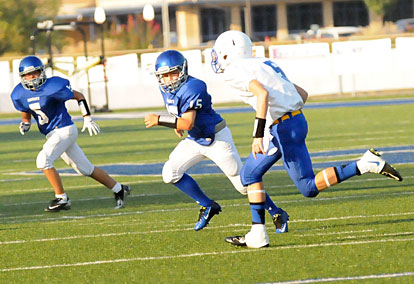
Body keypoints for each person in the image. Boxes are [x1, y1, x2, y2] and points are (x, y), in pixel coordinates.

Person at [211, 30, 403, 248]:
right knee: (307, 187)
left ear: (227, 54)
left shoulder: (235, 70)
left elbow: (262, 94)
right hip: (296, 121)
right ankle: (364, 164)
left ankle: (258, 233)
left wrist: (259, 134)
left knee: (250, 174)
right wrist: (284, 116)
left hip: (282, 128)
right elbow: (301, 94)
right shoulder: (264, 62)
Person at [144, 50, 286, 231]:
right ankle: (207, 205)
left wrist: (160, 120)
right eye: (164, 76)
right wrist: (176, 123)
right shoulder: (165, 89)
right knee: (170, 173)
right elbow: (182, 116)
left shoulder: (194, 86)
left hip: (216, 139)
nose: (169, 79)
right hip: (195, 139)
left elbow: (188, 122)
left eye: (173, 73)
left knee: (243, 186)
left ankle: (276, 212)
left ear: (183, 70)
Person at [10, 55, 131, 212]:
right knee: (85, 169)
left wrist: (87, 118)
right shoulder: (19, 93)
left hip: (64, 129)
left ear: (42, 72)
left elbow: (79, 96)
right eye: (27, 75)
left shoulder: (53, 86)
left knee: (43, 160)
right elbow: (25, 109)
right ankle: (119, 189)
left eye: (34, 73)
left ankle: (62, 199)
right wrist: (26, 123)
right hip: (52, 134)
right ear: (22, 77)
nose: (31, 78)